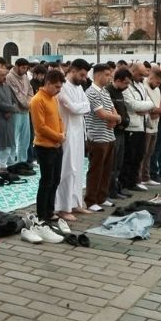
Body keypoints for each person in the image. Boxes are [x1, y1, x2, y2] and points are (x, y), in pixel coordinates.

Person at [56, 59, 92, 220]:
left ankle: (75, 203)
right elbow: (73, 108)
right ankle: (63, 208)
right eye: (82, 75)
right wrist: (80, 107)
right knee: (67, 169)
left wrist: (80, 107)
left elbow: (86, 106)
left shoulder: (79, 88)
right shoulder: (62, 87)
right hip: (67, 132)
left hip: (79, 133)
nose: (84, 79)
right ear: (73, 70)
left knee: (78, 168)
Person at [29, 70, 66, 222]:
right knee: (46, 181)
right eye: (57, 87)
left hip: (57, 145)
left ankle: (50, 211)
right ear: (48, 83)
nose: (59, 90)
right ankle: (42, 213)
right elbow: (40, 127)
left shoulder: (53, 98)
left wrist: (62, 134)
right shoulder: (37, 100)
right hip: (44, 147)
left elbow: (59, 119)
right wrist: (58, 136)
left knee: (55, 179)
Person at [84, 64, 121, 212]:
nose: (110, 77)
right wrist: (117, 118)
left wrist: (115, 118)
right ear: (98, 75)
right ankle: (91, 200)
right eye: (107, 74)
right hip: (97, 137)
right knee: (96, 170)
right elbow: (101, 114)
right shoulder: (91, 92)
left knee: (107, 170)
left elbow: (111, 109)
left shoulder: (105, 91)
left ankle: (102, 197)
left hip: (109, 136)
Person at [121, 63, 154, 192]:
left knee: (139, 155)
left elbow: (150, 102)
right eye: (140, 74)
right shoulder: (127, 86)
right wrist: (145, 106)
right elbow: (133, 106)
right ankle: (125, 183)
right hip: (131, 127)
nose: (142, 77)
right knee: (129, 157)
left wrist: (146, 107)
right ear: (132, 71)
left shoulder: (141, 85)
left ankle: (134, 181)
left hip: (142, 125)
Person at [105, 68, 132, 199]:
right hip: (112, 132)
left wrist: (125, 120)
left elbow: (124, 111)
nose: (127, 87)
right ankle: (109, 191)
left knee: (119, 163)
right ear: (118, 80)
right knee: (112, 164)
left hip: (121, 132)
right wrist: (120, 121)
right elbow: (111, 112)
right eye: (125, 83)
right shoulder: (108, 92)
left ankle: (116, 188)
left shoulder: (120, 93)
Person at [0, 67, 19, 170]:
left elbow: (14, 100)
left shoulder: (7, 87)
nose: (4, 77)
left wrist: (11, 110)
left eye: (5, 75)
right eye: (1, 75)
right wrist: (13, 109)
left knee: (9, 142)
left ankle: (4, 164)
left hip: (9, 119)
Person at [6, 58, 34, 164]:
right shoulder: (10, 77)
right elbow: (17, 95)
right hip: (16, 111)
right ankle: (11, 162)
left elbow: (30, 91)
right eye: (23, 68)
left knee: (25, 138)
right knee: (13, 138)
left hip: (26, 111)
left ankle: (22, 161)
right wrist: (28, 104)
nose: (25, 70)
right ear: (16, 66)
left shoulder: (25, 76)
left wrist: (30, 103)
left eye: (26, 68)